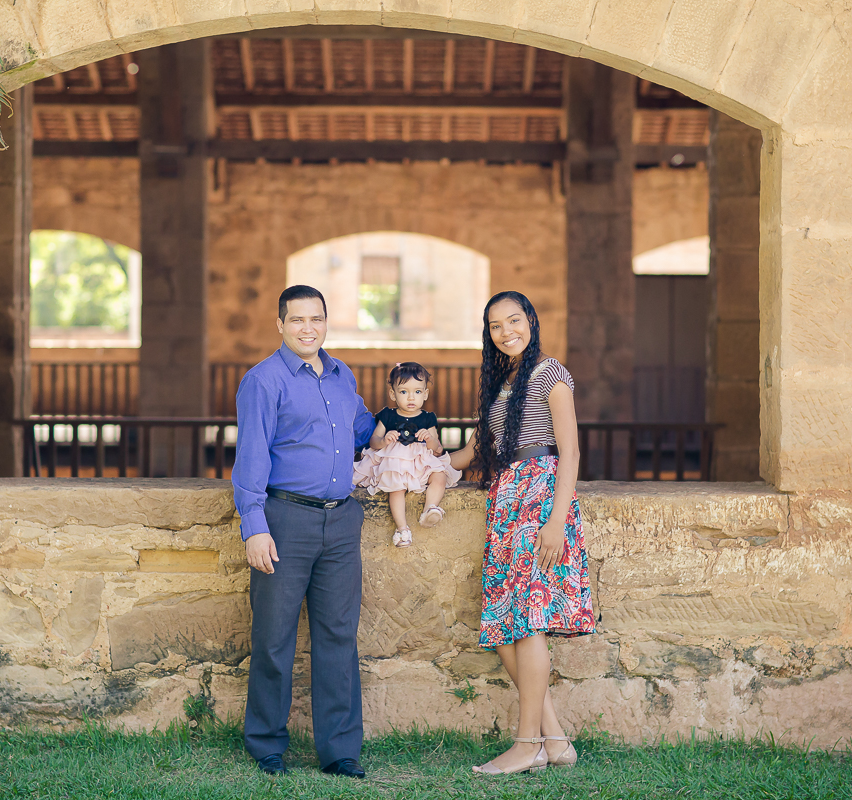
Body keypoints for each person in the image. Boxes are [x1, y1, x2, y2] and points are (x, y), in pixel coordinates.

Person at [443, 290, 597, 775]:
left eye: (514, 320)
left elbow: (569, 453)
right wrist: (413, 462)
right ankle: (554, 740)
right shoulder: (502, 380)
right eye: (495, 325)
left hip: (541, 501)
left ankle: (526, 743)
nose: (506, 331)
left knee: (525, 622)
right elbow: (471, 454)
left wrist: (556, 521)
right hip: (505, 502)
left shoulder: (551, 373)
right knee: (506, 623)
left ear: (531, 320)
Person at [231, 285, 376, 779]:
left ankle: (339, 750)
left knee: (339, 635)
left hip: (341, 521)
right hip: (285, 520)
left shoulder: (341, 376)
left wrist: (411, 426)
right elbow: (250, 457)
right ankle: (266, 742)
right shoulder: (262, 381)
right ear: (280, 324)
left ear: (326, 321)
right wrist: (254, 526)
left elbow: (362, 428)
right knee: (274, 637)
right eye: (297, 320)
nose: (308, 328)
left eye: (316, 319)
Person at [352, 362, 461, 547]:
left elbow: (438, 449)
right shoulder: (388, 416)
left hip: (421, 461)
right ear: (393, 394)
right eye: (404, 392)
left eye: (417, 392)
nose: (411, 397)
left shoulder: (428, 418)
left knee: (440, 475)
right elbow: (374, 441)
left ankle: (430, 508)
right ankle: (402, 529)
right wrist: (384, 440)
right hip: (396, 463)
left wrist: (429, 440)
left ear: (425, 394)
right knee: (396, 487)